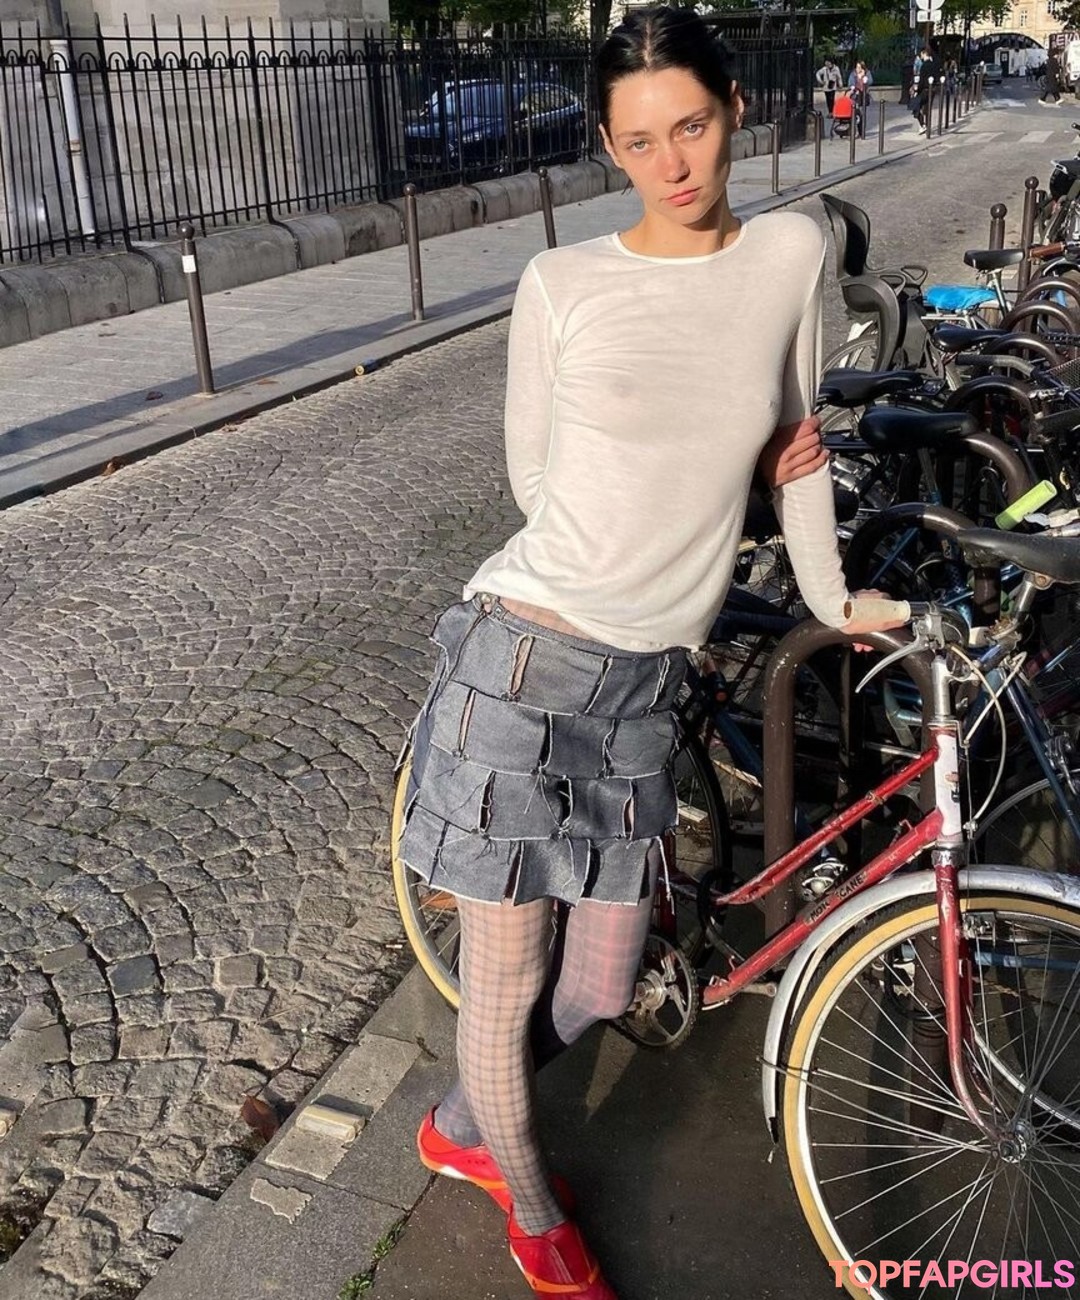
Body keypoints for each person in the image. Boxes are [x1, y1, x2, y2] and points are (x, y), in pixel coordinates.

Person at [399, 7, 907, 1297]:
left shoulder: (788, 252)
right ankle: (534, 1217)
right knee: (510, 981)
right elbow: (535, 483)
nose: (672, 164)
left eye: (690, 126)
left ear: (733, 110)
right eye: (639, 142)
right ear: (609, 146)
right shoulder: (562, 281)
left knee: (605, 973)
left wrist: (833, 596)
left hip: (641, 693)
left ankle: (461, 1121)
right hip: (525, 666)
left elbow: (796, 449)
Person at [914, 43, 938, 134]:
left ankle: (923, 125)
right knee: (927, 109)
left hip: (924, 90)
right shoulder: (934, 64)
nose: (920, 55)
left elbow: (921, 81)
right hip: (933, 89)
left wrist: (917, 91)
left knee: (915, 105)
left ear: (924, 53)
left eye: (921, 53)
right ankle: (927, 127)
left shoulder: (924, 66)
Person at [847, 60, 872, 137]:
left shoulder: (867, 73)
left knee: (862, 114)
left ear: (862, 68)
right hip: (856, 96)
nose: (857, 69)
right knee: (855, 114)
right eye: (857, 67)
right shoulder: (853, 74)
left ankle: (862, 131)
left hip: (864, 96)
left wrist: (865, 78)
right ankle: (855, 131)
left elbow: (870, 81)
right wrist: (852, 87)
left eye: (859, 67)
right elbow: (850, 83)